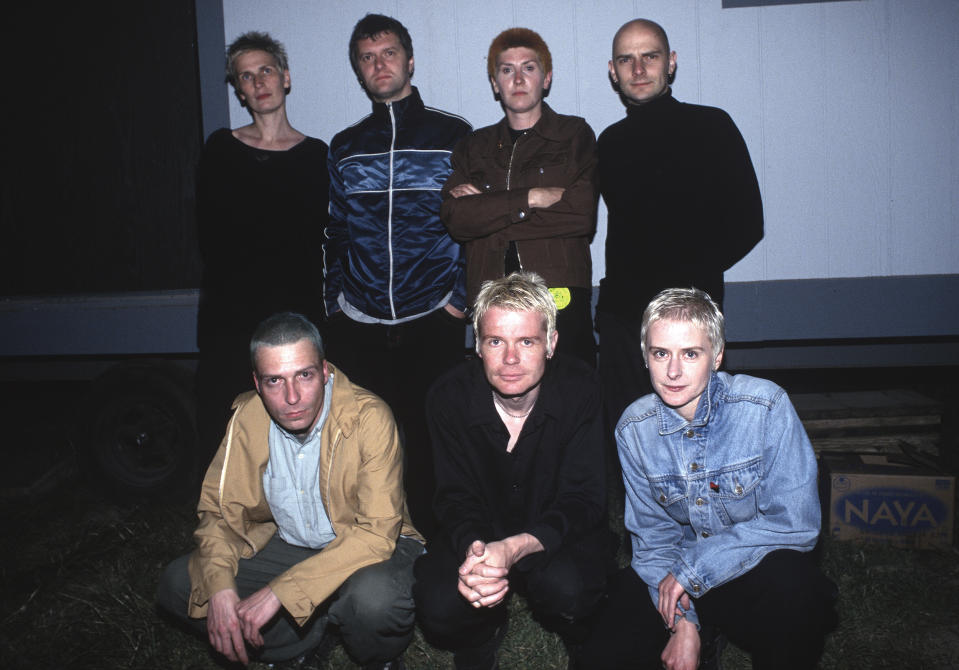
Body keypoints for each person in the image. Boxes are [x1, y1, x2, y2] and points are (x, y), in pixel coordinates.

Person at [581, 288, 835, 670]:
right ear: (644, 357)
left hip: (752, 570)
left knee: (800, 593)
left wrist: (694, 570)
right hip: (673, 576)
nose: (673, 371)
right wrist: (683, 625)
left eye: (690, 353)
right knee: (601, 652)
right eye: (660, 353)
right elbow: (652, 543)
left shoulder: (764, 407)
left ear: (716, 356)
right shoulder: (634, 428)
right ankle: (705, 635)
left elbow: (795, 524)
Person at [157, 313, 422, 669]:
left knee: (374, 602)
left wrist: (281, 592)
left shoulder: (369, 417)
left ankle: (379, 658)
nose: (292, 397)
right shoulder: (247, 417)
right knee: (180, 584)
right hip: (291, 545)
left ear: (324, 371)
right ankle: (294, 648)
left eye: (304, 375)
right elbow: (220, 514)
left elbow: (375, 534)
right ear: (257, 382)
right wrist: (220, 587)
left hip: (369, 547)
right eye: (274, 381)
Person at [324, 14, 472, 538]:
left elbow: (474, 229)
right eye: (367, 57)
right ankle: (376, 543)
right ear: (358, 71)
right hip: (360, 322)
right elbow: (334, 230)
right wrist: (335, 305)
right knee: (367, 446)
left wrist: (460, 302)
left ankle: (441, 547)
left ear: (409, 61)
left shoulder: (453, 136)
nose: (378, 64)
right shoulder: (345, 146)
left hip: (433, 316)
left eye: (388, 53)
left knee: (435, 442)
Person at [414, 272, 608, 669]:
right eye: (496, 341)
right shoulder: (447, 398)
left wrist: (518, 546)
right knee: (439, 604)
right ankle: (481, 630)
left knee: (571, 590)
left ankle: (576, 630)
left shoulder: (581, 389)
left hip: (555, 532)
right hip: (482, 534)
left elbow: (585, 498)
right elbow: (453, 497)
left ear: (551, 344)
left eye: (527, 341)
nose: (511, 359)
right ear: (479, 347)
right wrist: (476, 552)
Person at [595, 18, 764, 441]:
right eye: (626, 59)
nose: (638, 69)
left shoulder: (711, 126)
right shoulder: (609, 142)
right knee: (630, 436)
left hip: (690, 312)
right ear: (612, 71)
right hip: (623, 318)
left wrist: (691, 286)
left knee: (699, 433)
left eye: (649, 56)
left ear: (670, 63)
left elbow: (748, 223)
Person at [195, 31, 330, 458]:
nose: (259, 83)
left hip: (296, 311)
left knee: (298, 423)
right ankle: (227, 516)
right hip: (231, 316)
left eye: (266, 71)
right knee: (227, 426)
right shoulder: (220, 149)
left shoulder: (317, 156)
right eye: (246, 77)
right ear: (239, 91)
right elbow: (207, 234)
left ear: (285, 78)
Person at [441, 28, 598, 367]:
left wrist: (488, 208)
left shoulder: (574, 135)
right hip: (491, 299)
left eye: (528, 67)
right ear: (495, 83)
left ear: (547, 77)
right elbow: (456, 219)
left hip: (561, 299)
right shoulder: (474, 147)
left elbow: (581, 215)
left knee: (570, 398)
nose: (518, 78)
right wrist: (533, 196)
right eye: (506, 69)